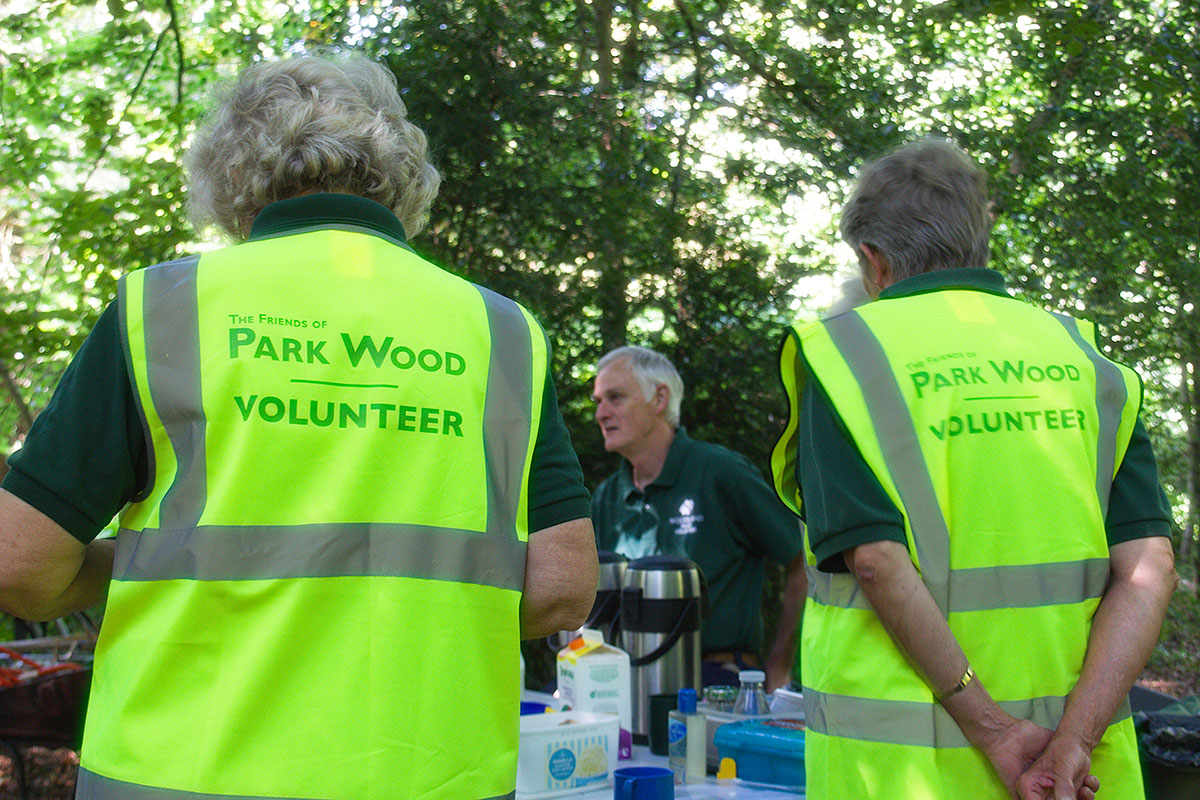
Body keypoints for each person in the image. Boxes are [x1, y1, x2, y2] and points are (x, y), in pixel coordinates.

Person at [0, 54, 597, 800]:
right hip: (432, 775)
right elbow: (560, 590)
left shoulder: (165, 311)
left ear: (229, 173)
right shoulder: (499, 331)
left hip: (183, 775)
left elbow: (20, 565)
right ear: (401, 171)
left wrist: (141, 561)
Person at [770, 138, 1177, 800]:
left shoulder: (846, 358)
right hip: (1076, 778)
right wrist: (1074, 741)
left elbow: (875, 561)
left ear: (874, 260)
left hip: (905, 775)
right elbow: (1148, 572)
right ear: (978, 242)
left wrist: (994, 731)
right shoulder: (1080, 357)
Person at [591, 345, 805, 690]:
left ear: (660, 399)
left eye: (615, 398)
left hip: (716, 680)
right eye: (598, 401)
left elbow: (802, 558)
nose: (601, 413)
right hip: (625, 679)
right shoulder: (607, 497)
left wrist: (781, 663)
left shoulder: (719, 473)